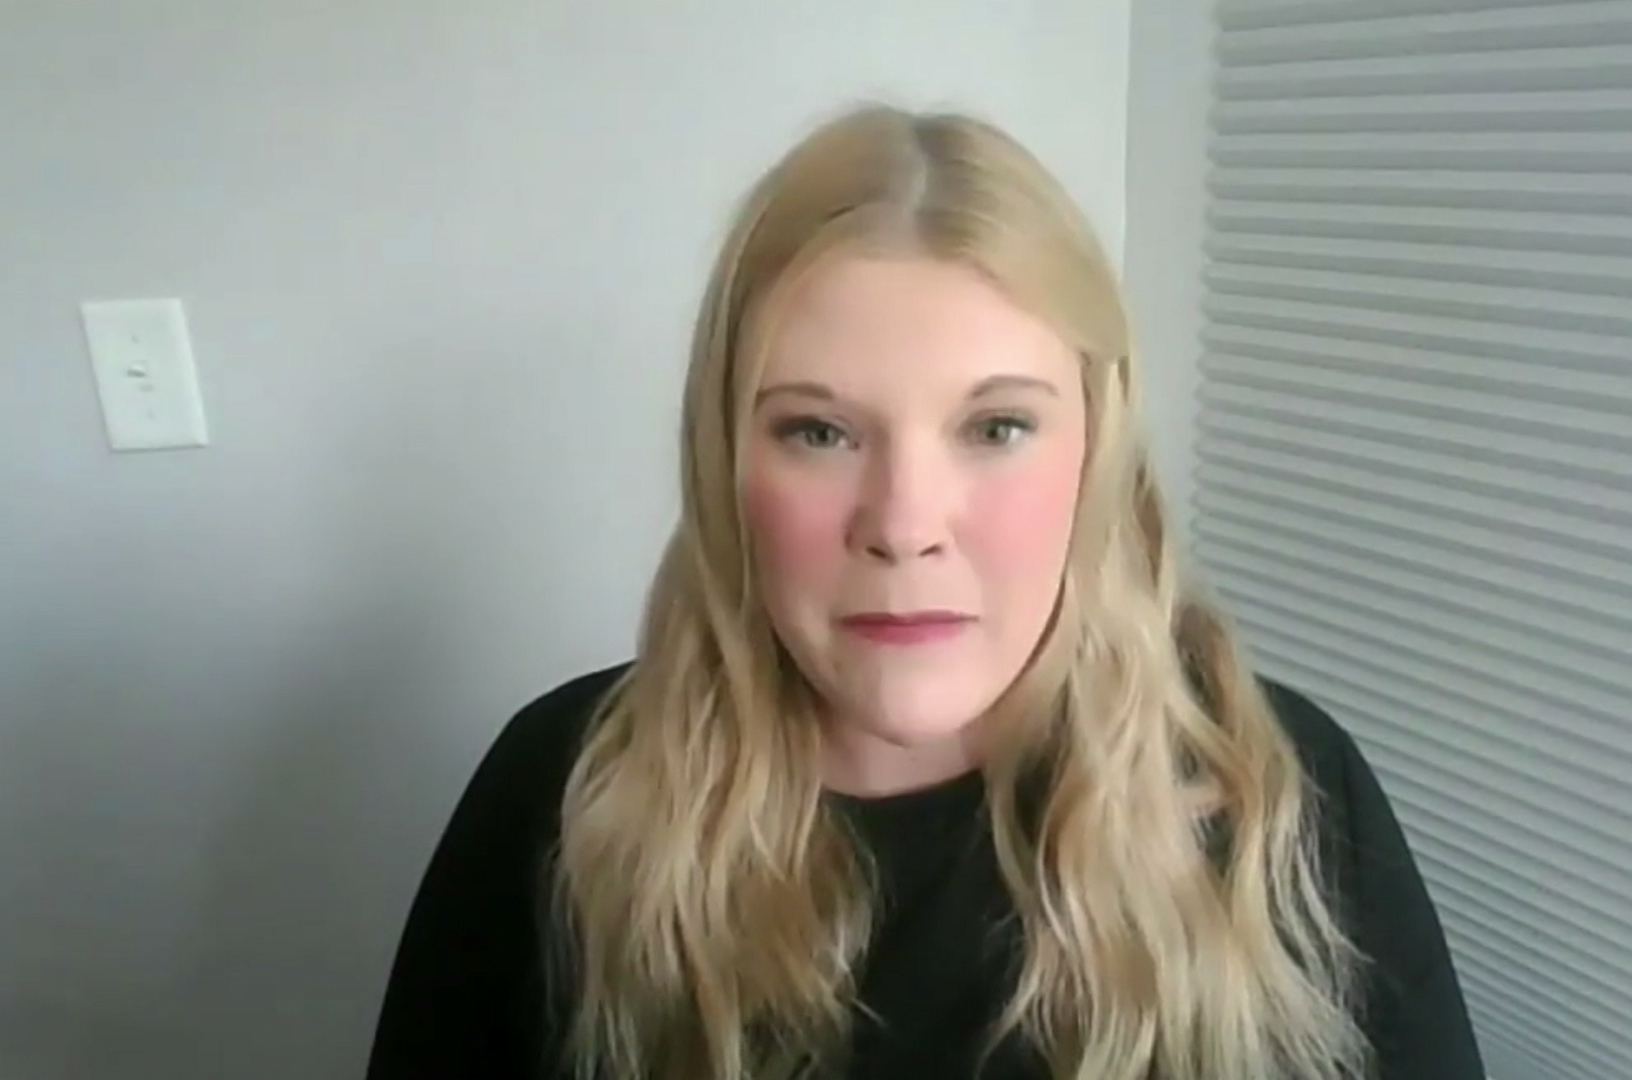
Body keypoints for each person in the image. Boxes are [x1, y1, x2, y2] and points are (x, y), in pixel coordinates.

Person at [364, 103, 1483, 1080]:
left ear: (1095, 456)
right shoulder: (560, 800)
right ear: (726, 462)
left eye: (997, 426)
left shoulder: (1278, 795)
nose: (903, 525)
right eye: (819, 430)